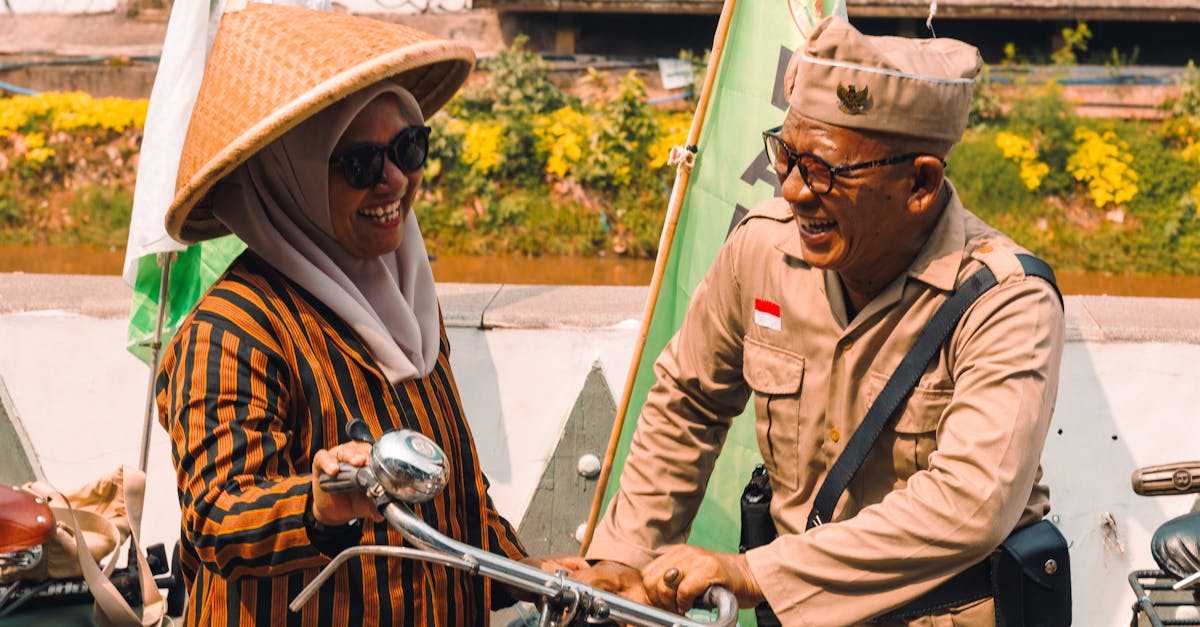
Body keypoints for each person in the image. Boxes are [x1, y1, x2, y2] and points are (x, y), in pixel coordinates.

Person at [576, 15, 1066, 626]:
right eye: (786, 155)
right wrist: (625, 559)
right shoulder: (761, 249)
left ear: (919, 183)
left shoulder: (1005, 302)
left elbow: (970, 503)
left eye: (825, 171)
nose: (792, 190)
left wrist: (759, 573)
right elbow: (690, 400)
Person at [153, 3, 582, 625]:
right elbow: (219, 517)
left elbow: (458, 498)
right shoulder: (231, 333)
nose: (393, 181)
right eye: (359, 163)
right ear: (287, 177)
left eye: (408, 149)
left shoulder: (408, 311)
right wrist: (319, 502)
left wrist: (543, 579)